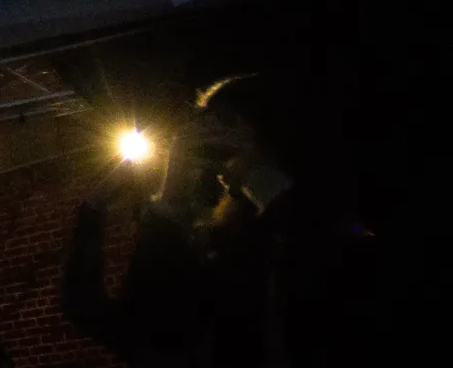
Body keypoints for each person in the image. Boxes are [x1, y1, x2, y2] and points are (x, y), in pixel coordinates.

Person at [61, 74, 383, 367]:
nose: (210, 142)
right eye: (209, 127)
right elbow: (136, 329)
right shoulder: (223, 242)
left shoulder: (323, 214)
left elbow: (331, 262)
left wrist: (256, 177)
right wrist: (100, 208)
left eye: (225, 124)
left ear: (269, 129)